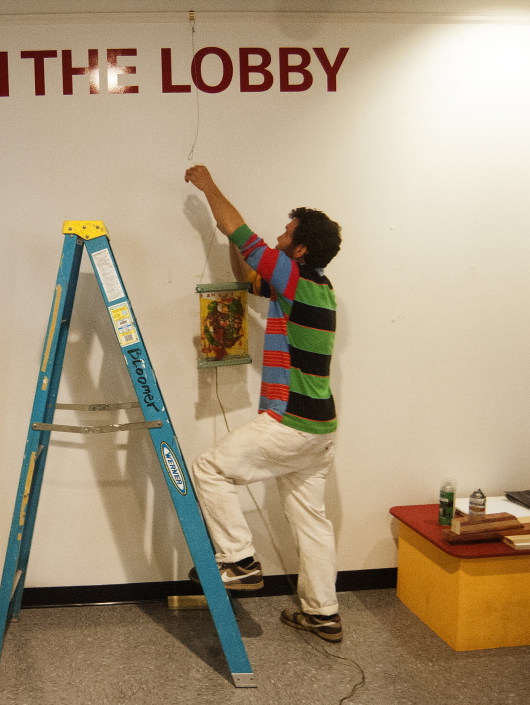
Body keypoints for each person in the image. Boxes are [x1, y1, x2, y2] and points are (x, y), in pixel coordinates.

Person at [183, 164, 343, 643]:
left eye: (287, 232)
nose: (278, 235)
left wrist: (208, 186)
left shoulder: (294, 279)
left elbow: (239, 230)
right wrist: (240, 246)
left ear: (300, 249)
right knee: (310, 520)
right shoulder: (314, 287)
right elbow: (246, 272)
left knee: (210, 468)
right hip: (321, 430)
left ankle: (238, 560)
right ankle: (323, 612)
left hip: (291, 422)